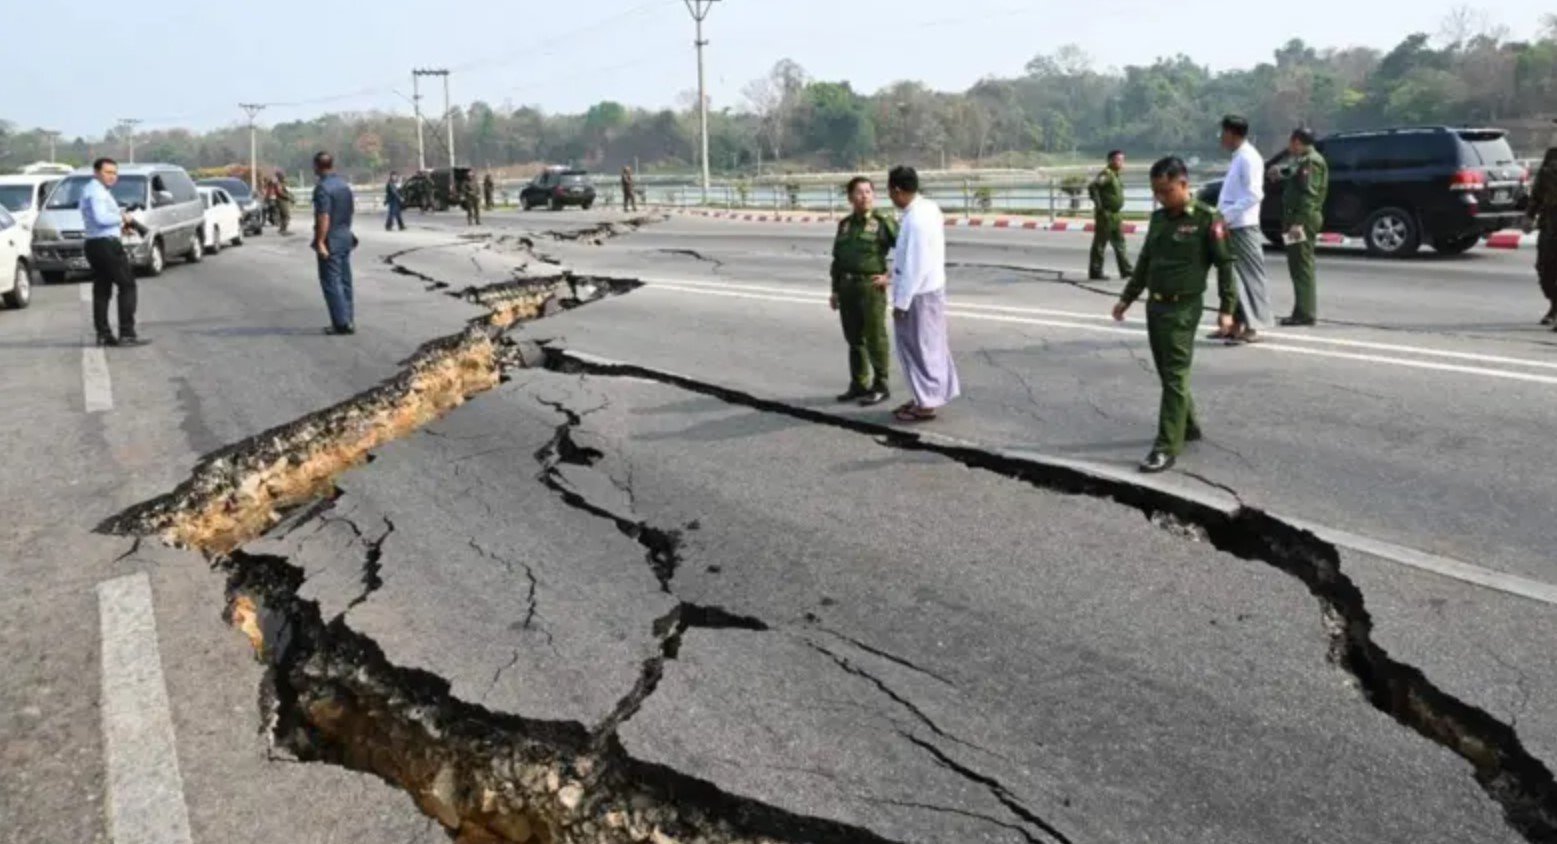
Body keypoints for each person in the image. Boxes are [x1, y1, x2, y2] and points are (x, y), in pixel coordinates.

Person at [1111, 156, 1236, 474]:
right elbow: (1144, 262)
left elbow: (1225, 265)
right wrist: (1127, 298)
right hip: (1155, 305)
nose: (1160, 197)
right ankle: (1188, 425)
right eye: (1156, 192)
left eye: (1165, 191)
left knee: (1176, 373)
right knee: (1169, 372)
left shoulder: (1208, 219)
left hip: (1183, 308)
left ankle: (1166, 446)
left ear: (1184, 184)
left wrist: (1226, 310)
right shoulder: (1158, 219)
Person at [875, 165, 958, 422]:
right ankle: (925, 395)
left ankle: (926, 404)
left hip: (919, 294)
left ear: (897, 190)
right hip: (928, 290)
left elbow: (916, 265)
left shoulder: (917, 219)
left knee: (919, 349)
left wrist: (902, 302)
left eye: (890, 192)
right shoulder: (927, 209)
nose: (890, 197)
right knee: (930, 346)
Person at [830, 176, 899, 406]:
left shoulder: (882, 223)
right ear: (850, 197)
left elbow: (907, 249)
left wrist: (890, 276)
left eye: (869, 191)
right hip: (847, 287)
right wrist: (835, 290)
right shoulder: (845, 225)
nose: (865, 196)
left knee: (875, 337)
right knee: (854, 339)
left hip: (871, 287)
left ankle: (881, 384)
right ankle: (859, 383)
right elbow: (837, 260)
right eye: (859, 192)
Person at [1213, 115, 1270, 343]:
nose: (1221, 137)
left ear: (1232, 133)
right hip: (1231, 225)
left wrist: (1226, 216)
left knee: (1248, 277)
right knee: (1231, 277)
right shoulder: (1239, 157)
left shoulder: (1248, 158)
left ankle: (1252, 327)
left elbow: (1255, 194)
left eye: (1223, 132)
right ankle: (1235, 325)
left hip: (1242, 226)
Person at [80, 157, 148, 347]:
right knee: (127, 286)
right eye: (107, 172)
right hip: (106, 245)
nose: (112, 176)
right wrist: (121, 217)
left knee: (102, 289)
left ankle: (103, 334)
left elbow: (97, 219)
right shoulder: (96, 192)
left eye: (114, 173)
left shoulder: (92, 190)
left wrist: (120, 225)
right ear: (96, 172)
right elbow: (101, 218)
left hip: (95, 243)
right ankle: (127, 333)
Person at [1271, 127, 1328, 326]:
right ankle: (1300, 310)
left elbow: (1309, 194)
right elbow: (1295, 177)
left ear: (1297, 141)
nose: (1289, 146)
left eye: (1291, 142)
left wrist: (1298, 223)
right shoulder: (1303, 160)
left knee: (1301, 265)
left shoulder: (1311, 161)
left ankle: (1305, 313)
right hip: (1296, 218)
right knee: (1296, 264)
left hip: (1301, 220)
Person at [311, 152, 357, 335]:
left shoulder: (323, 188)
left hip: (331, 238)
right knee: (345, 280)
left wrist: (320, 241)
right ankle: (348, 318)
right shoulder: (343, 185)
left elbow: (324, 216)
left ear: (316, 166)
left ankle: (341, 323)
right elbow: (349, 211)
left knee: (331, 281)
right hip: (345, 235)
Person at [1088, 150, 1133, 281]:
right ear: (1111, 160)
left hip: (1115, 215)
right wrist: (1099, 206)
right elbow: (1093, 187)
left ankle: (1126, 270)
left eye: (1122, 160)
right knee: (1100, 244)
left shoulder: (1116, 175)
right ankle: (1096, 271)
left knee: (1120, 243)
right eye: (1118, 160)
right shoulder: (1106, 174)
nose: (1121, 163)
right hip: (1106, 214)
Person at [1526, 148, 1557, 326]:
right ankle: (1554, 304)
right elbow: (1539, 188)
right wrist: (1530, 215)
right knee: (1545, 268)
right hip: (1549, 223)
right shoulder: (1552, 154)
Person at [274, 170, 295, 235]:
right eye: (282, 175)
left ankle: (282, 229)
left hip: (285, 200)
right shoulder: (278, 183)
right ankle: (284, 229)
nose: (284, 176)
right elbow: (280, 192)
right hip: (282, 201)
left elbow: (288, 190)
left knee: (283, 215)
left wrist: (291, 197)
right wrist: (288, 197)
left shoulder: (284, 182)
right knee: (286, 215)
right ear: (279, 176)